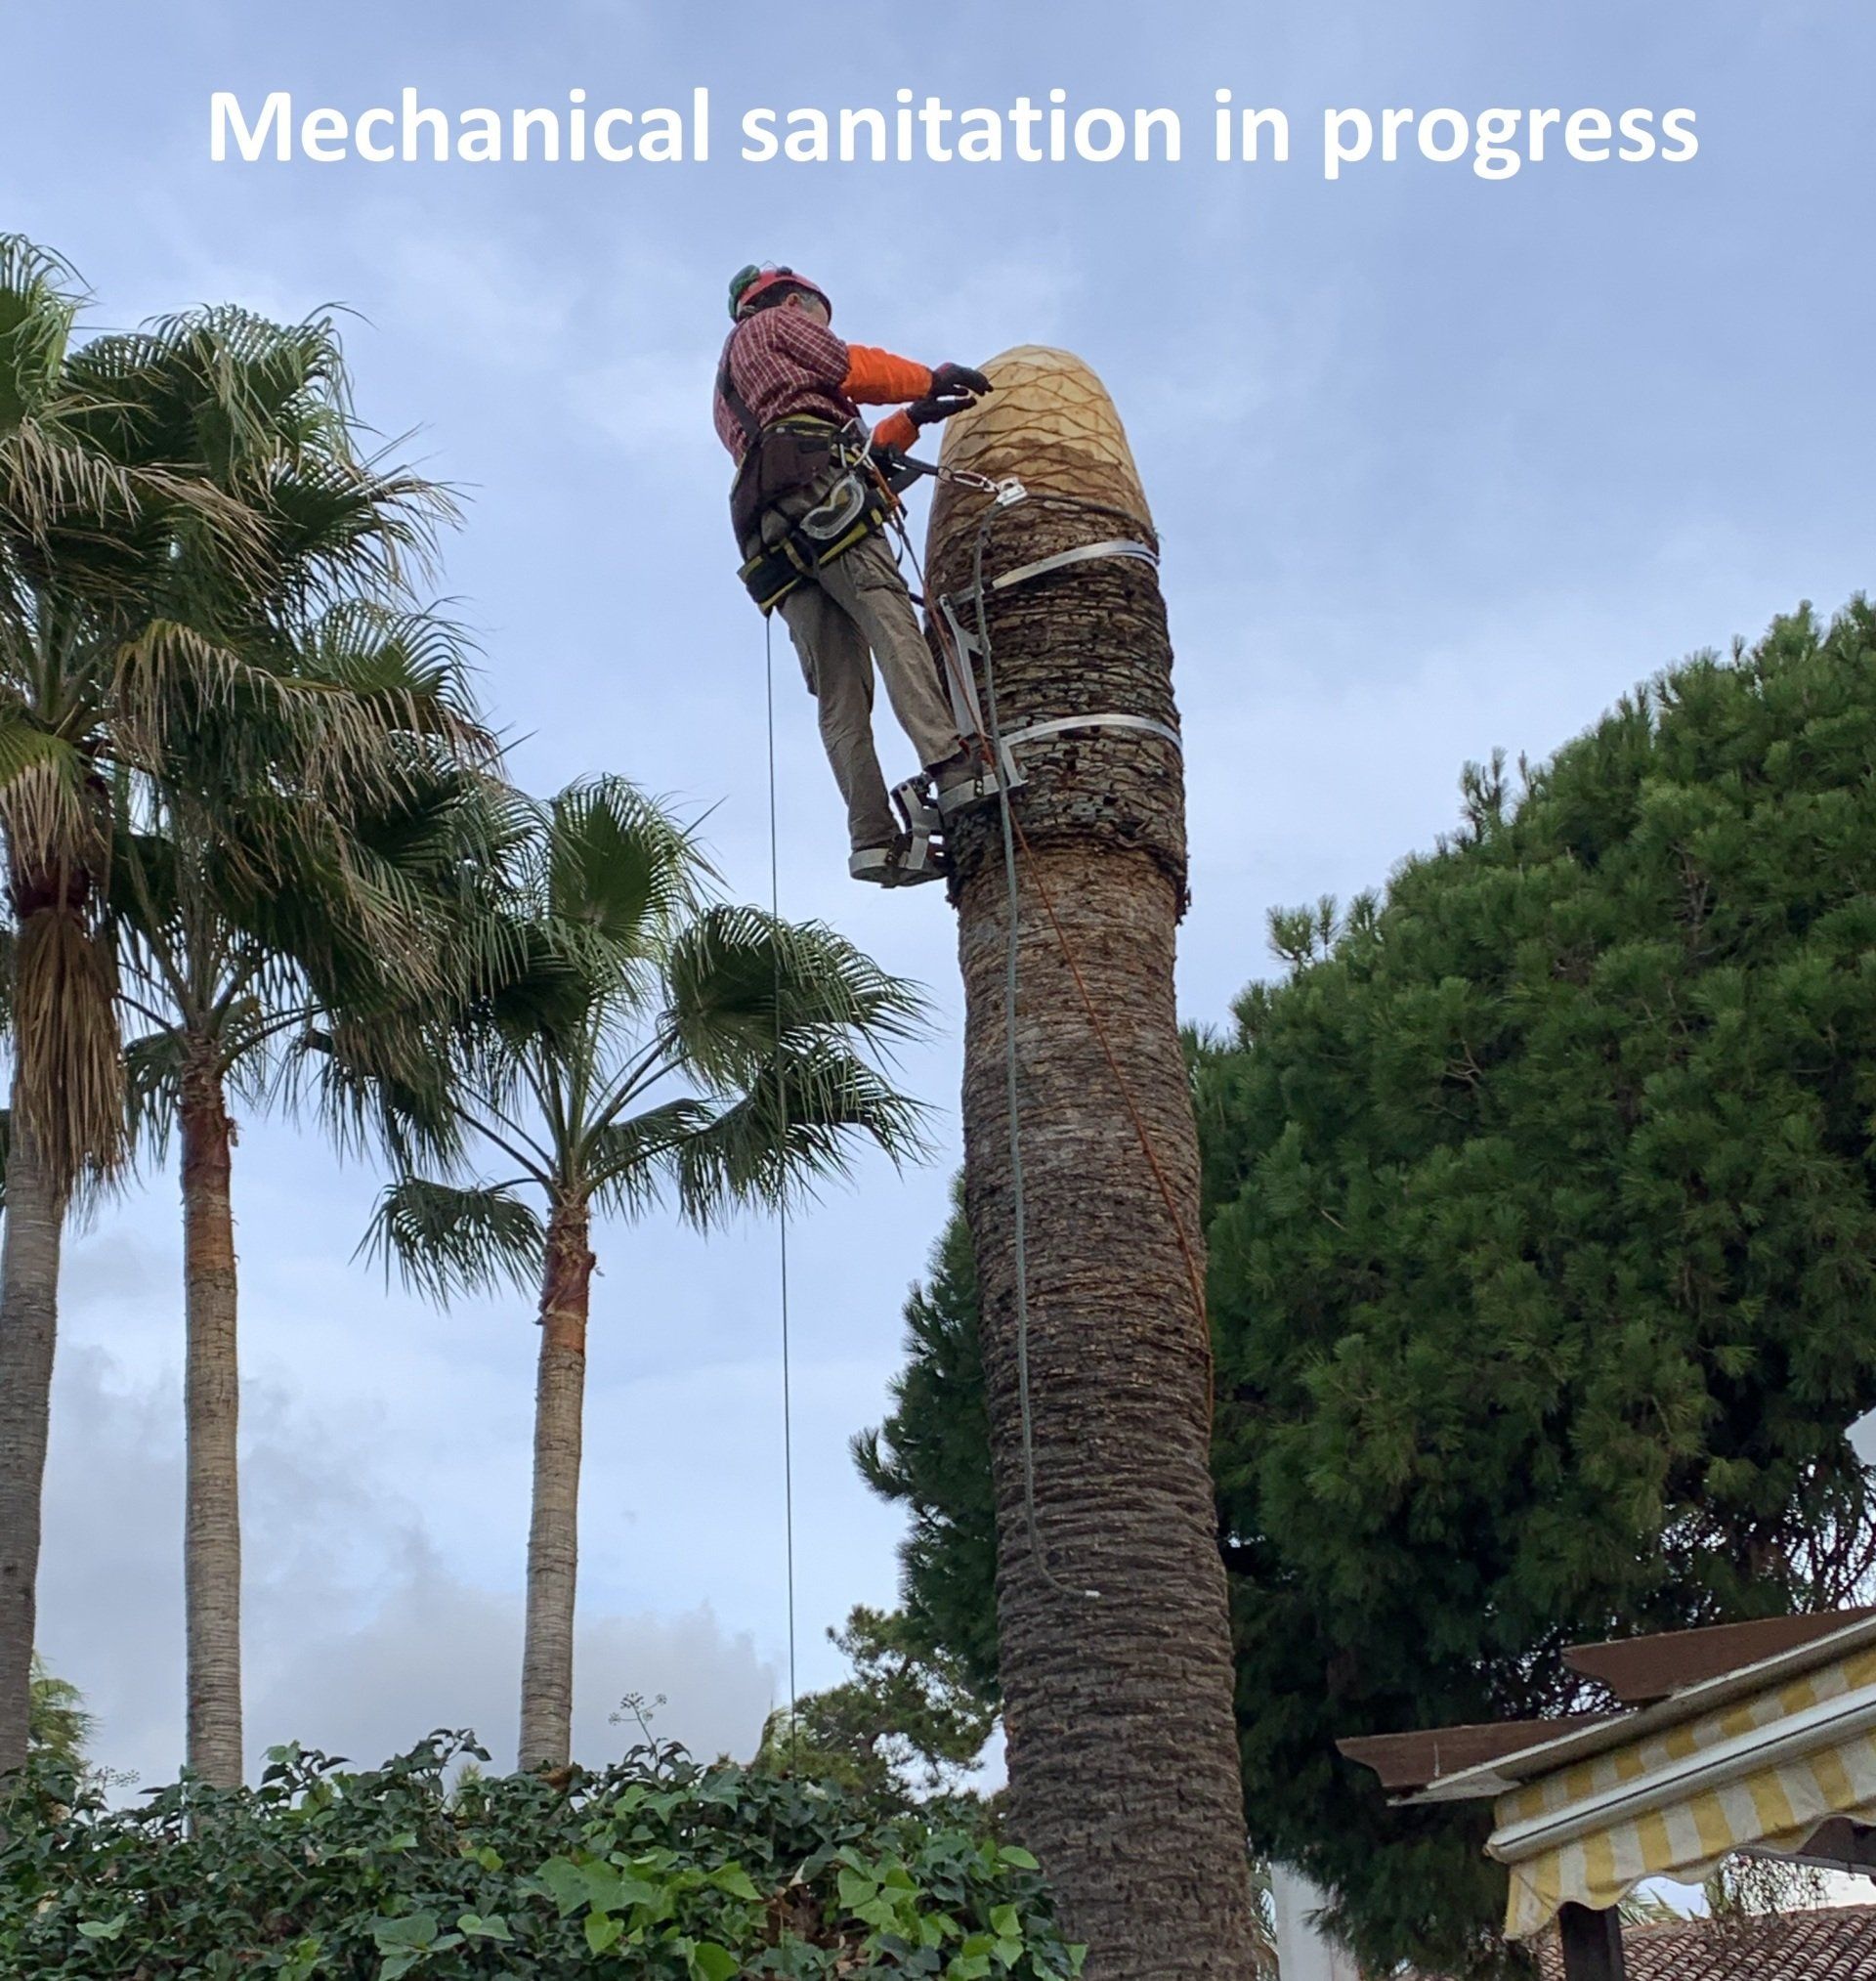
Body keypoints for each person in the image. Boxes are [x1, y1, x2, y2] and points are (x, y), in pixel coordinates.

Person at [714, 262, 992, 884]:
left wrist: (913, 418)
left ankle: (872, 838)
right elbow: (850, 369)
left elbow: (850, 445)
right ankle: (954, 768)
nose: (822, 324)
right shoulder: (772, 326)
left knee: (839, 693)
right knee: (890, 623)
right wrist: (930, 377)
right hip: (817, 491)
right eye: (820, 313)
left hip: (768, 533)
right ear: (793, 302)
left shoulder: (733, 386)